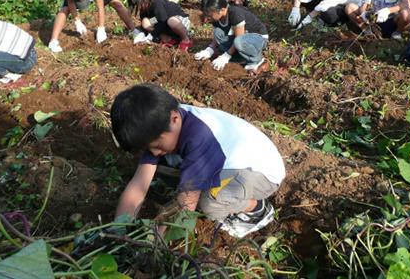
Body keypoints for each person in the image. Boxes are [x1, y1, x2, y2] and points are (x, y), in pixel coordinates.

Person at [111, 83, 285, 238]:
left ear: (175, 119)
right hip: (225, 161)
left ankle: (257, 210)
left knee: (210, 203)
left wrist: (156, 239)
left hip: (260, 172)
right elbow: (138, 184)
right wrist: (119, 228)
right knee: (163, 169)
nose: (154, 152)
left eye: (157, 145)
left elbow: (186, 206)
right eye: (149, 148)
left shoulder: (198, 137)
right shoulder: (159, 124)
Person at [196, 0, 268, 72]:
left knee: (238, 42)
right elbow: (217, 38)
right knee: (218, 33)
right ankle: (242, 59)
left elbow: (239, 37)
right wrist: (210, 49)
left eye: (209, 15)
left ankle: (257, 60)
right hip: (243, 40)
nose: (207, 17)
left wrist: (227, 55)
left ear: (222, 10)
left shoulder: (235, 13)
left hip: (258, 39)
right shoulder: (216, 17)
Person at [126, 0, 192, 51]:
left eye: (139, 4)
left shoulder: (157, 3)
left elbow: (162, 21)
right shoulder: (144, 9)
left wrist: (151, 36)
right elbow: (155, 21)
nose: (140, 7)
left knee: (171, 21)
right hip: (162, 21)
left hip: (178, 20)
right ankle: (169, 39)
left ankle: (185, 39)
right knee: (145, 22)